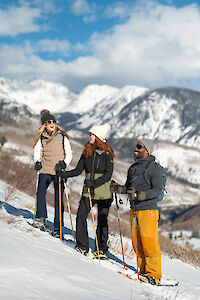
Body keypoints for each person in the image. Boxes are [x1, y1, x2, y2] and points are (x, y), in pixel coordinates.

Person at [56, 123, 114, 257]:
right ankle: (82, 246)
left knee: (102, 220)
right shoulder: (86, 151)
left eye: (91, 134)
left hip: (104, 191)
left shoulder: (107, 153)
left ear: (98, 137)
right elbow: (78, 170)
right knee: (81, 215)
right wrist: (63, 174)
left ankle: (101, 250)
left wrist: (94, 183)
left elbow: (108, 175)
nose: (89, 136)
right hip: (88, 190)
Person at [111, 139, 162, 285]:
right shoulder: (132, 168)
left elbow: (157, 190)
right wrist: (118, 188)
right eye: (136, 146)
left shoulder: (154, 168)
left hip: (148, 210)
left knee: (149, 243)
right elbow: (129, 188)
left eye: (139, 147)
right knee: (137, 242)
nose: (136, 149)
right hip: (135, 210)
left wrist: (141, 195)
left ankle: (154, 275)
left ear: (147, 150)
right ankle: (143, 271)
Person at [33, 109, 72, 237]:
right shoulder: (41, 137)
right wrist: (37, 161)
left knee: (58, 199)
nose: (52, 123)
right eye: (49, 121)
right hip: (45, 169)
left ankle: (58, 226)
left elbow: (69, 153)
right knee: (40, 192)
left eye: (54, 121)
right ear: (45, 123)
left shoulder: (62, 136)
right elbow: (37, 151)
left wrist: (64, 163)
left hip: (59, 171)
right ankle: (41, 218)